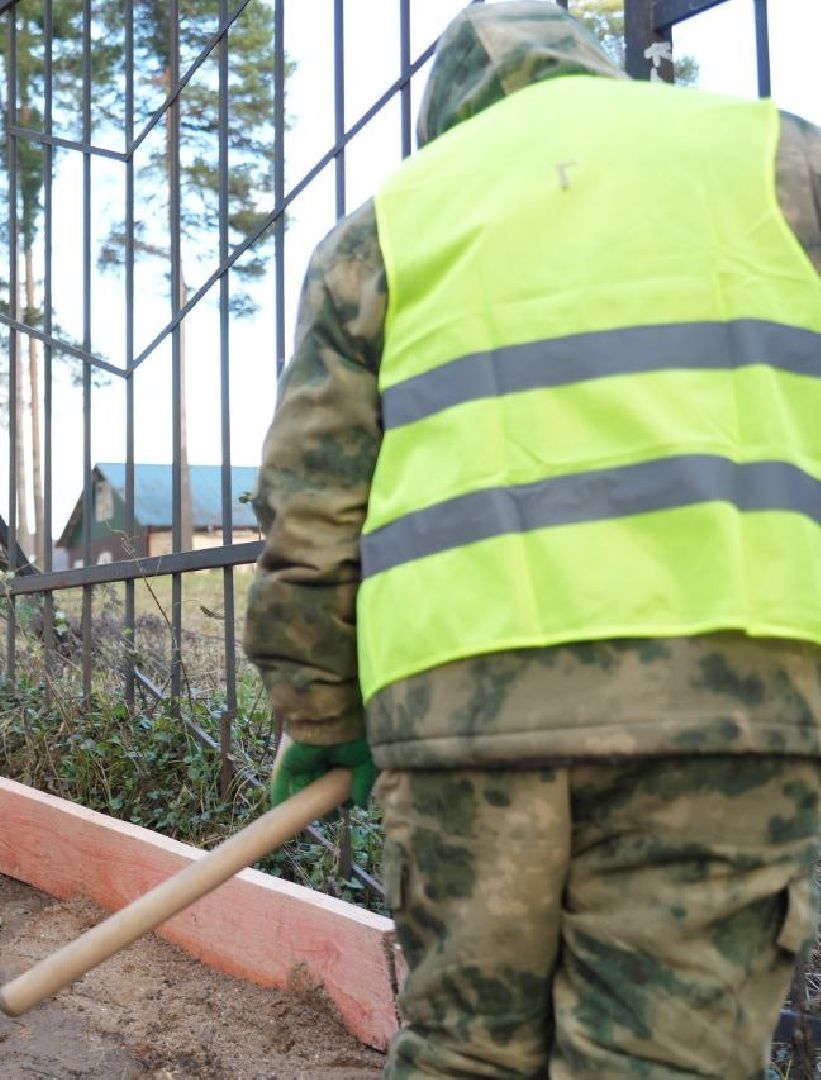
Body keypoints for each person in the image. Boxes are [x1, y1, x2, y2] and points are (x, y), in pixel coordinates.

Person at [243, 3, 821, 1074]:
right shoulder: (775, 157)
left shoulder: (389, 225)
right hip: (727, 699)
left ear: (446, 112)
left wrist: (321, 709)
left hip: (465, 711)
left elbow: (309, 513)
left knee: (466, 1049)